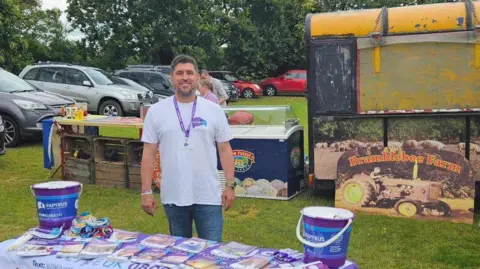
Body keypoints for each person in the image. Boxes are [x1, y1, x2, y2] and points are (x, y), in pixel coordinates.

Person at [140, 54, 236, 243]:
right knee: (178, 253)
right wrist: (146, 192)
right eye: (179, 73)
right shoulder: (156, 112)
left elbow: (225, 149)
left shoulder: (214, 110)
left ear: (199, 77)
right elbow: (148, 155)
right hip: (174, 195)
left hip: (208, 195)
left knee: (211, 252)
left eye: (190, 73)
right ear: (171, 78)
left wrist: (230, 186)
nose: (185, 77)